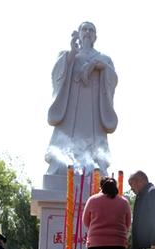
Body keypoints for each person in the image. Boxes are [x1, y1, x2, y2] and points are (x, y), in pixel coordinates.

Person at [45, 21, 118, 176]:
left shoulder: (104, 58)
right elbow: (57, 74)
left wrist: (102, 68)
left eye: (91, 30)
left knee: (95, 151)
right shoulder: (67, 54)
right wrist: (72, 54)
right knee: (63, 152)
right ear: (79, 33)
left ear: (95, 37)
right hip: (71, 108)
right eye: (84, 29)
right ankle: (62, 165)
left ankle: (95, 167)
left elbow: (113, 79)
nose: (87, 32)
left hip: (93, 111)